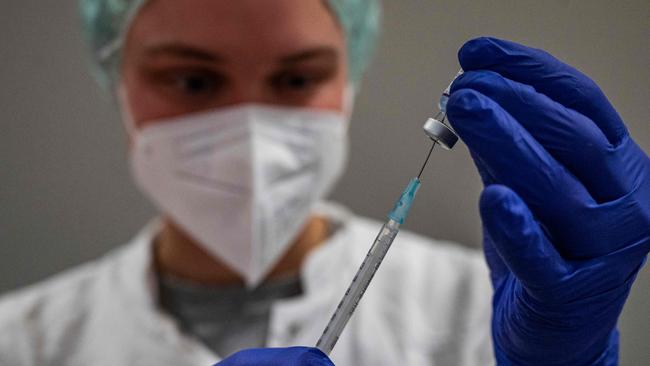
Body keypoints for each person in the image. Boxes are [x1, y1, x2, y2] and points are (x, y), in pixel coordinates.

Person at [0, 1, 648, 365]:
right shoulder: (22, 342)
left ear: (348, 80)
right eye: (193, 81)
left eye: (295, 80)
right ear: (117, 83)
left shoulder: (478, 319)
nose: (249, 134)